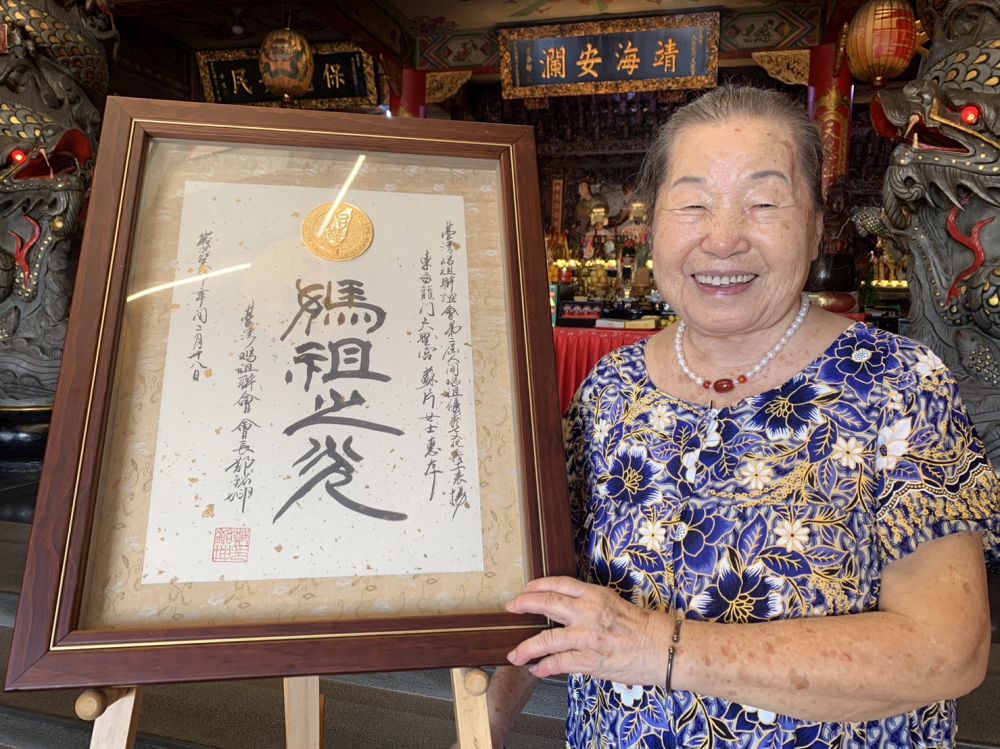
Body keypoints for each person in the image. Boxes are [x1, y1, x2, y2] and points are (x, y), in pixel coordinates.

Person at [482, 86, 999, 748]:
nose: (722, 238)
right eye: (693, 204)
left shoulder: (898, 384)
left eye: (763, 204)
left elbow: (947, 651)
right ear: (652, 225)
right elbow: (554, 594)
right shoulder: (610, 389)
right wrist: (486, 722)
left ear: (815, 225)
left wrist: (660, 647)